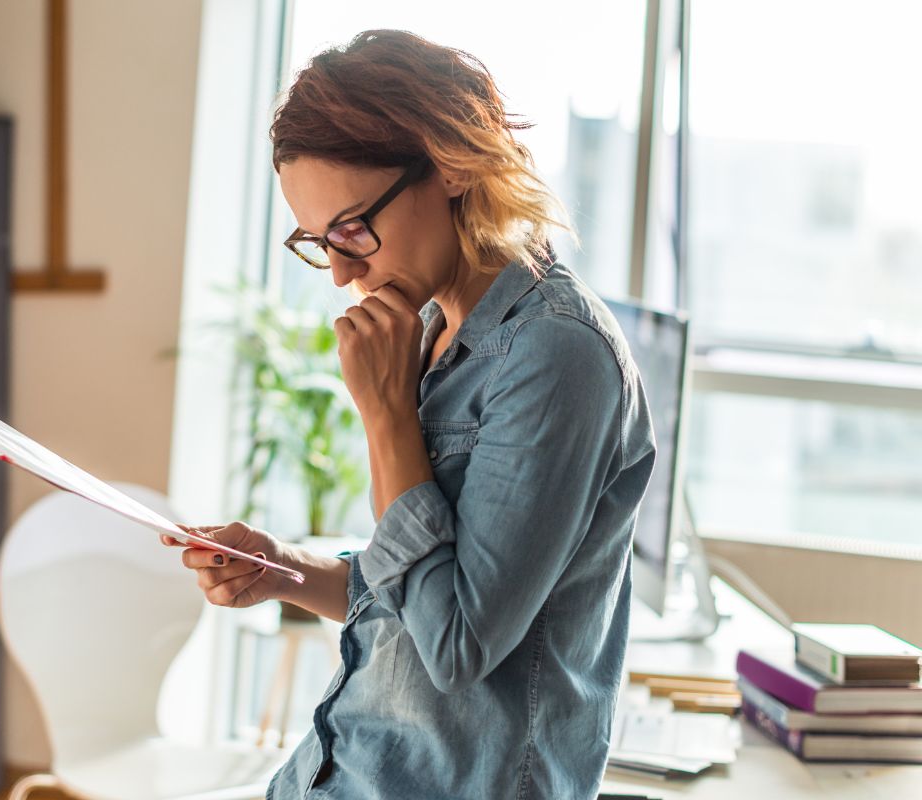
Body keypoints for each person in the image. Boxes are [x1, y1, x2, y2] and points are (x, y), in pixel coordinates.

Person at [161, 29, 656, 800]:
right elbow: (413, 598)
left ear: (452, 164)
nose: (342, 273)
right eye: (318, 243)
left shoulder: (555, 355)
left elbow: (454, 647)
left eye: (354, 229)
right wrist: (282, 568)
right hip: (340, 772)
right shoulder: (432, 329)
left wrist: (387, 414)